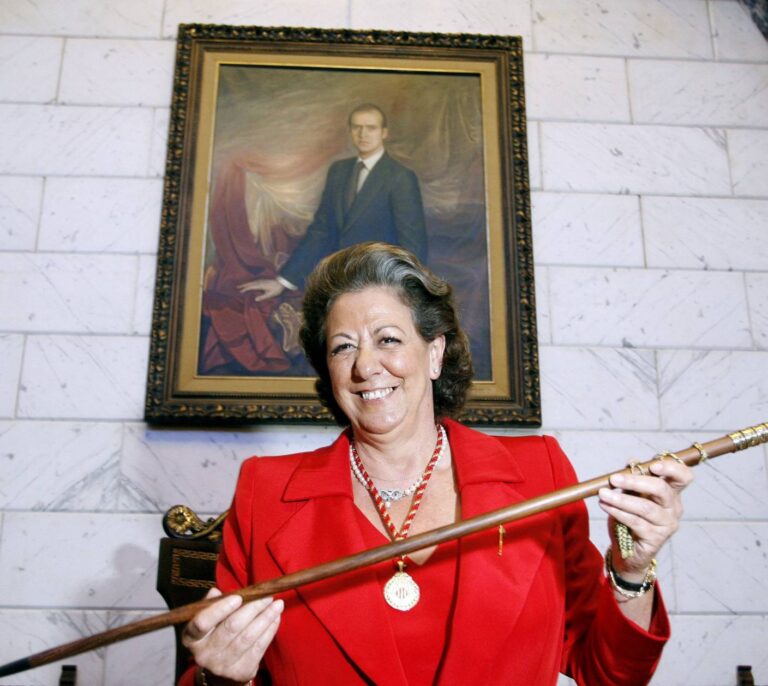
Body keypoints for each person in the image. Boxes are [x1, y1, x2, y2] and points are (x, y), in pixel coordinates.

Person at [180, 242, 692, 685]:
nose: (365, 365)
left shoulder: (540, 474)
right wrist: (217, 677)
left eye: (388, 339)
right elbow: (217, 669)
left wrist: (631, 570)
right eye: (342, 347)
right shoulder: (265, 491)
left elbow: (608, 673)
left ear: (434, 353)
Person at [237, 104, 428, 303]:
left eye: (371, 128)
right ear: (350, 131)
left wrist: (401, 296)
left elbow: (412, 244)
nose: (363, 134)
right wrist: (283, 281)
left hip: (380, 286)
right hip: (336, 282)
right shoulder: (339, 171)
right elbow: (321, 230)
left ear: (384, 133)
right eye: (357, 127)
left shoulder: (400, 177)